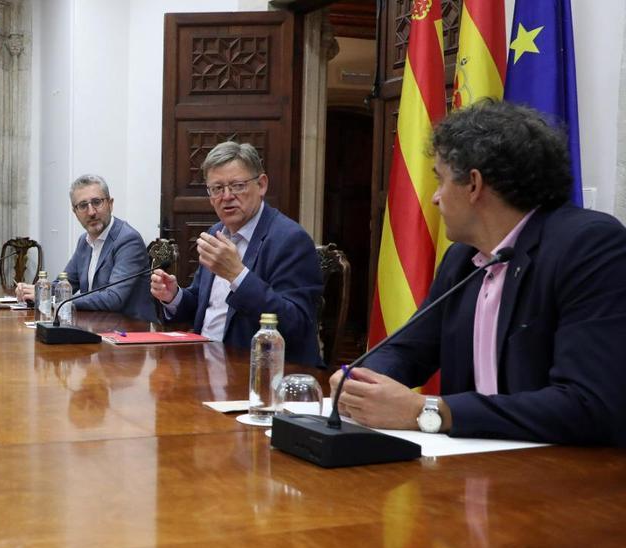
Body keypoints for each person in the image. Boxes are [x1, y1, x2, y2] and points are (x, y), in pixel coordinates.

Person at [331, 101, 626, 446]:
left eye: (440, 180)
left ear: (473, 184)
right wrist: (361, 381)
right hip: (475, 474)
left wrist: (428, 411)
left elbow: (588, 404)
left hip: (566, 480)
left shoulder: (589, 247)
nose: (436, 199)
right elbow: (409, 350)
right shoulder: (463, 259)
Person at [149, 142, 322, 365]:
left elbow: (296, 325)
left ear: (261, 185)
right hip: (204, 361)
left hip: (256, 370)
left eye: (237, 186)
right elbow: (204, 306)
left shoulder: (290, 240)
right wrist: (174, 296)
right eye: (217, 189)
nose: (227, 196)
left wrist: (237, 275)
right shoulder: (216, 232)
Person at [16, 175, 155, 321]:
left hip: (130, 331)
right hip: (96, 325)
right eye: (83, 205)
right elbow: (64, 284)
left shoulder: (128, 240)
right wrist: (38, 291)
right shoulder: (84, 241)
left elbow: (114, 298)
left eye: (97, 202)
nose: (91, 212)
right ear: (75, 212)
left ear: (110, 204)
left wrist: (58, 301)